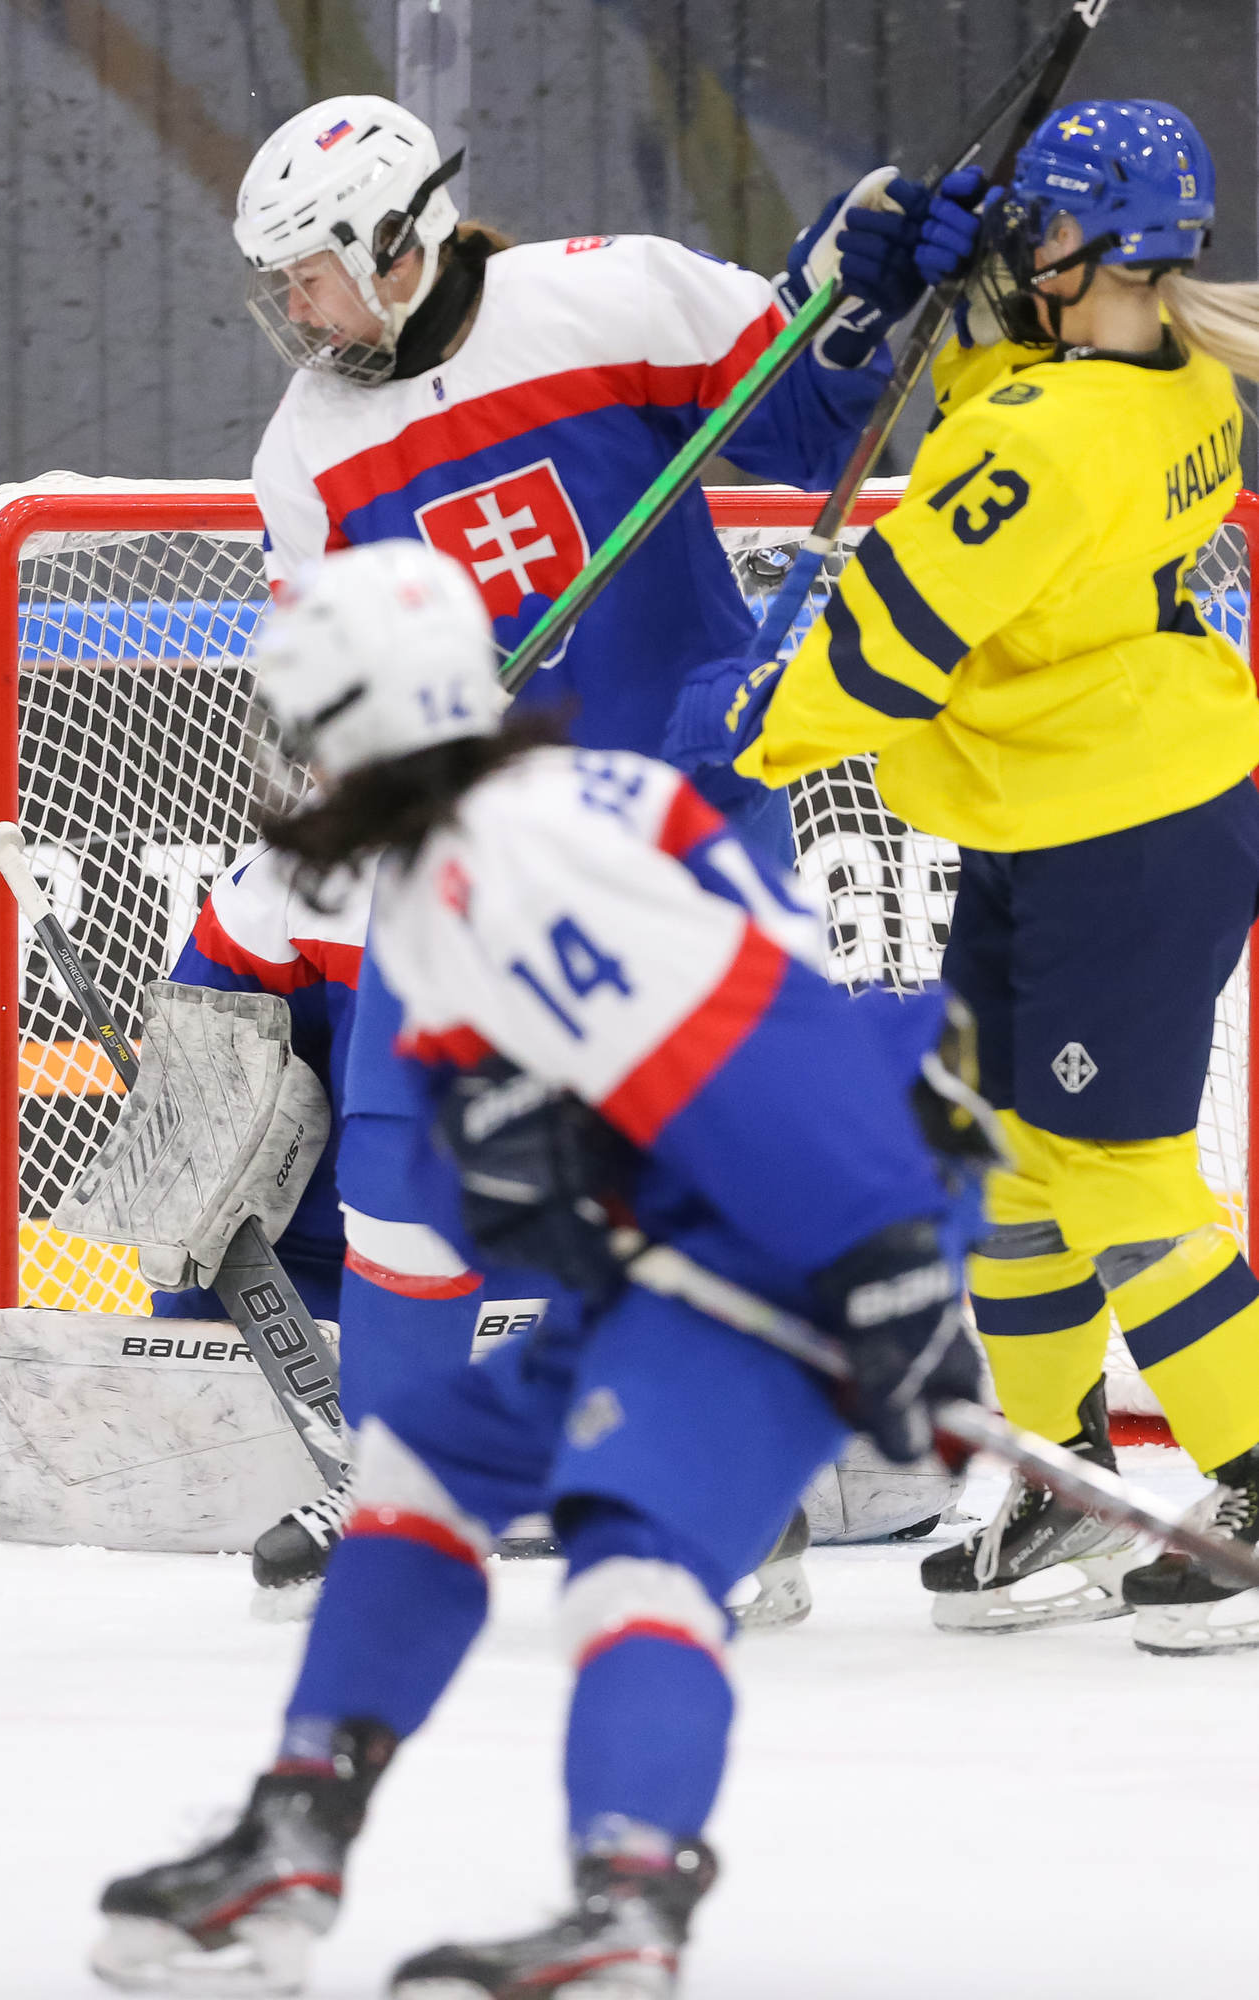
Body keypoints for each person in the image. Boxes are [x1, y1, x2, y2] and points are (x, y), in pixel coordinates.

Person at [92, 541, 988, 1997]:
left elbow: (766, 1053)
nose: (302, 773)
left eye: (314, 735)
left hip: (816, 1219)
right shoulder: (476, 845)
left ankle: (629, 1905)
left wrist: (880, 1274)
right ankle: (293, 1837)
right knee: (424, 1464)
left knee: (627, 1554)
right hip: (751, 1213)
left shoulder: (522, 858)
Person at [162, 90, 978, 1596]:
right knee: (403, 1178)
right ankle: (407, 1492)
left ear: (389, 243)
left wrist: (859, 289)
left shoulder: (611, 297)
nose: (291, 306)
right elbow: (326, 696)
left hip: (680, 815)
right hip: (474, 853)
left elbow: (802, 417)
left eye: (308, 270)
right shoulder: (306, 459)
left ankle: (729, 1504)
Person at [665, 100, 1259, 1654]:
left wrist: (750, 734)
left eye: (1030, 234)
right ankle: (1060, 1471)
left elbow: (895, 636)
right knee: (1006, 1152)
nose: (1012, 253)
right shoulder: (1155, 374)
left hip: (1121, 839)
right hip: (1061, 809)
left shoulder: (1049, 438)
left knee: (1119, 1176)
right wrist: (971, 311)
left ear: (1101, 249)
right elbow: (1015, 438)